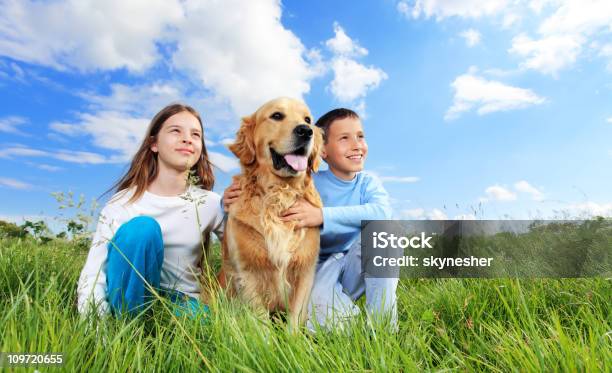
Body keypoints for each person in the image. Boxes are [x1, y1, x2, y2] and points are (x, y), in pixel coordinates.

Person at [223, 108, 397, 330]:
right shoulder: (306, 181)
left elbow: (382, 212)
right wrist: (226, 202)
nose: (356, 145)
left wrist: (321, 216)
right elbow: (262, 195)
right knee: (330, 326)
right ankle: (340, 311)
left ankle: (382, 328)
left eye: (360, 136)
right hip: (317, 269)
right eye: (344, 138)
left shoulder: (367, 183)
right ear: (322, 150)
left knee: (385, 234)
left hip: (355, 263)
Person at [77, 103, 224, 319]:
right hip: (128, 301)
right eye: (176, 131)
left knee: (209, 328)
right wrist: (98, 333)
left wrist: (293, 216)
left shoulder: (210, 203)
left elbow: (253, 247)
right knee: (142, 229)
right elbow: (94, 274)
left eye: (196, 134)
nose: (187, 139)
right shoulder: (124, 202)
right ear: (154, 143)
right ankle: (129, 331)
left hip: (182, 304)